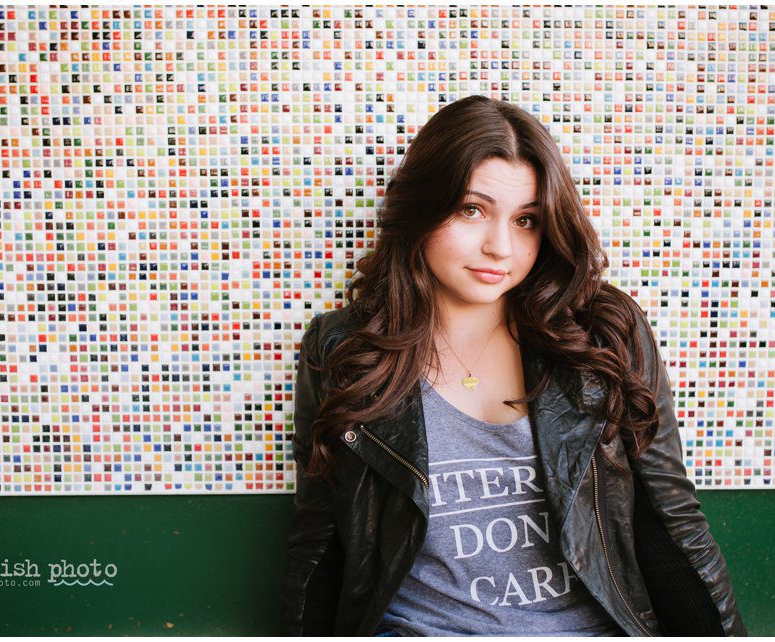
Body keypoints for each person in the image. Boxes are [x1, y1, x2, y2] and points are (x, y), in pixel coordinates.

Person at [280, 96, 746, 637]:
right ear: (422, 207)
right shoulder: (346, 351)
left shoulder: (601, 336)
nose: (500, 246)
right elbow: (319, 542)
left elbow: (672, 520)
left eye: (526, 220)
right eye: (471, 210)